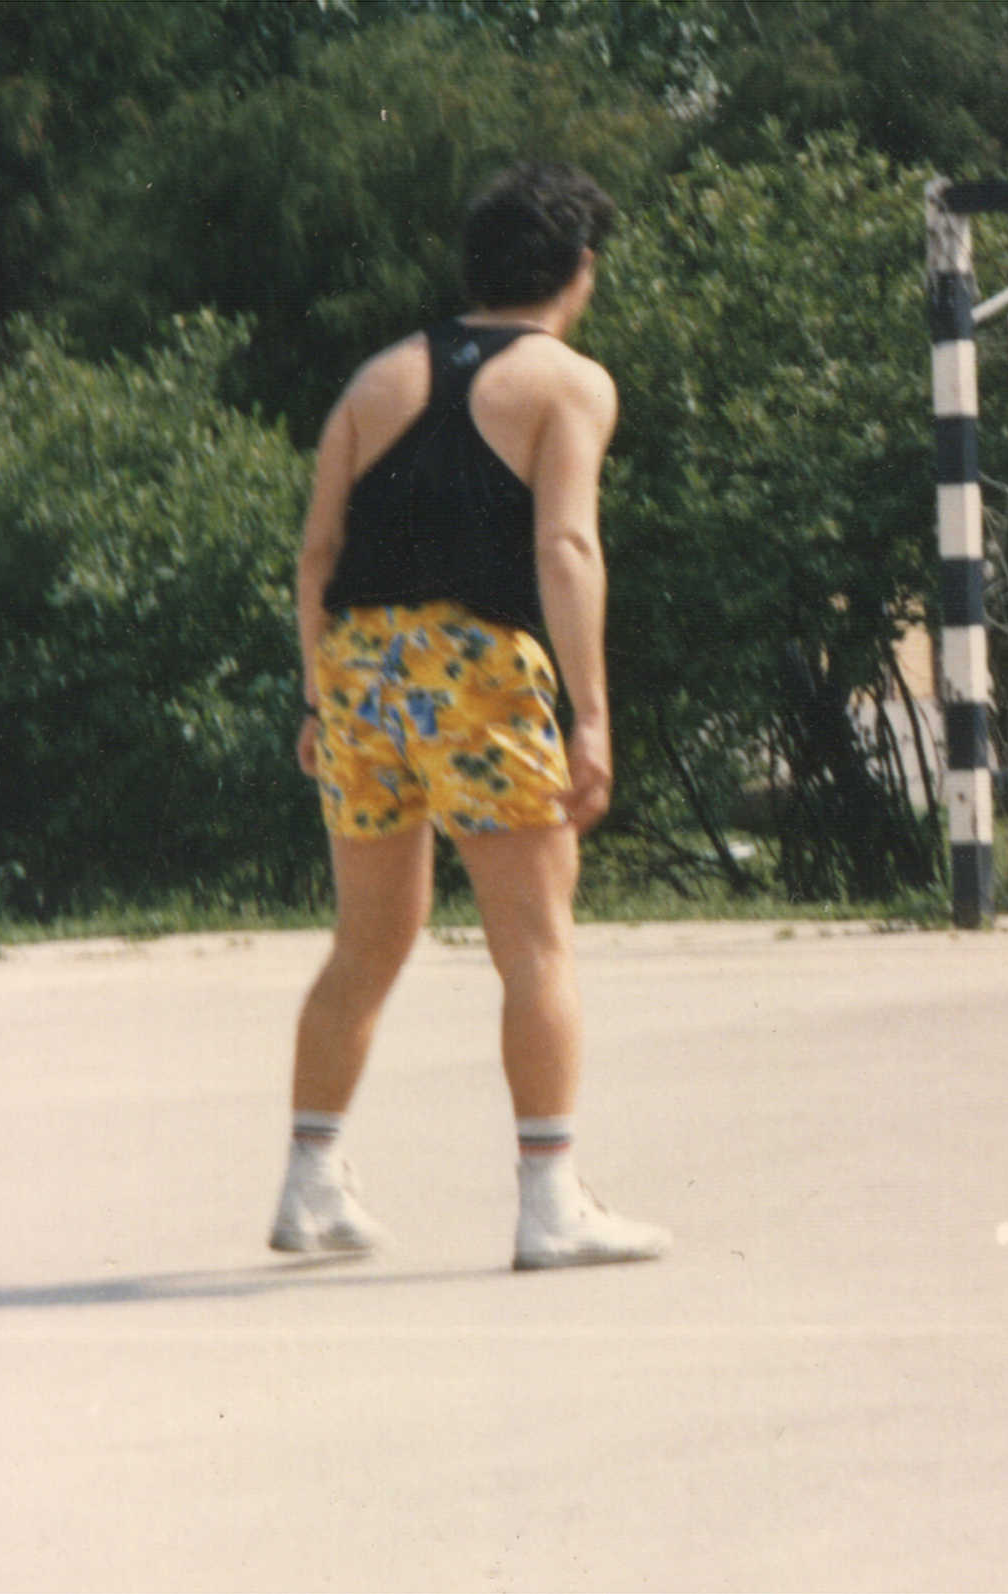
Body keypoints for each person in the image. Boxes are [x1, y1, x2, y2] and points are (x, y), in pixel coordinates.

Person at [269, 162, 670, 1269]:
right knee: (536, 942)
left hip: (359, 670)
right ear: (579, 269)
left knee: (367, 941)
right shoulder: (568, 382)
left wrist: (318, 694)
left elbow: (317, 555)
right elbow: (566, 546)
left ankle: (310, 1182)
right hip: (477, 671)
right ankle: (551, 1202)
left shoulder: (378, 376)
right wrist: (592, 716)